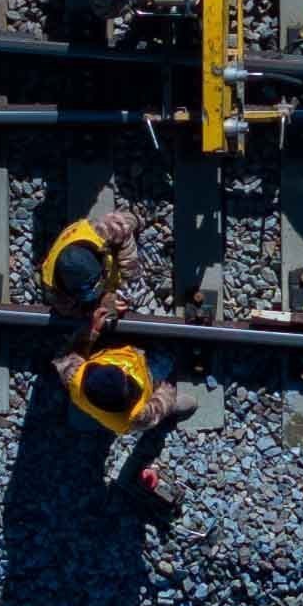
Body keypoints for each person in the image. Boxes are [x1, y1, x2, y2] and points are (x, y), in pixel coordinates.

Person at [59, 341, 191, 512]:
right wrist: (168, 394)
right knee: (165, 361)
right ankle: (174, 405)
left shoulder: (74, 376)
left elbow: (67, 355)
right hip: (142, 367)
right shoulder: (137, 416)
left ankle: (87, 418)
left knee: (79, 419)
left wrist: (91, 334)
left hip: (93, 402)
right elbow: (159, 405)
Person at [40, 201, 139, 343]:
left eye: (96, 284)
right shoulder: (55, 293)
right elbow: (81, 315)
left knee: (127, 222)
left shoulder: (98, 231)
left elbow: (125, 223)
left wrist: (129, 269)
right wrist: (108, 304)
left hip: (103, 260)